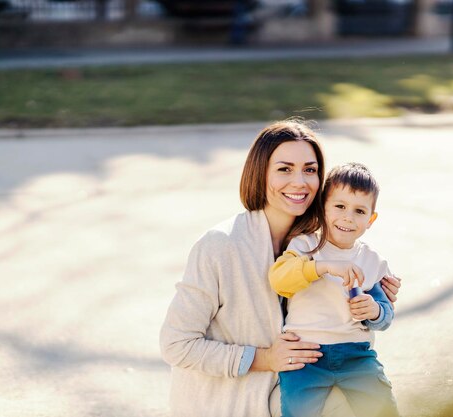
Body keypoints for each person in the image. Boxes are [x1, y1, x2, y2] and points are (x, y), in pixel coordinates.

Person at [159, 120, 402, 417]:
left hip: (294, 388)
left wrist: (376, 304)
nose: (299, 181)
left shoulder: (324, 242)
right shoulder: (220, 245)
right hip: (230, 401)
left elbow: (346, 328)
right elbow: (177, 345)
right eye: (284, 169)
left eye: (310, 170)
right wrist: (264, 358)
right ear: (260, 174)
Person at [269, 162, 400, 417]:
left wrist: (374, 311)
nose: (348, 217)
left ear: (371, 219)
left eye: (359, 211)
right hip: (306, 356)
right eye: (339, 206)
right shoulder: (304, 245)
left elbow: (385, 316)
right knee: (297, 411)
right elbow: (279, 280)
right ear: (323, 207)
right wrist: (322, 266)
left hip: (356, 356)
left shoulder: (372, 260)